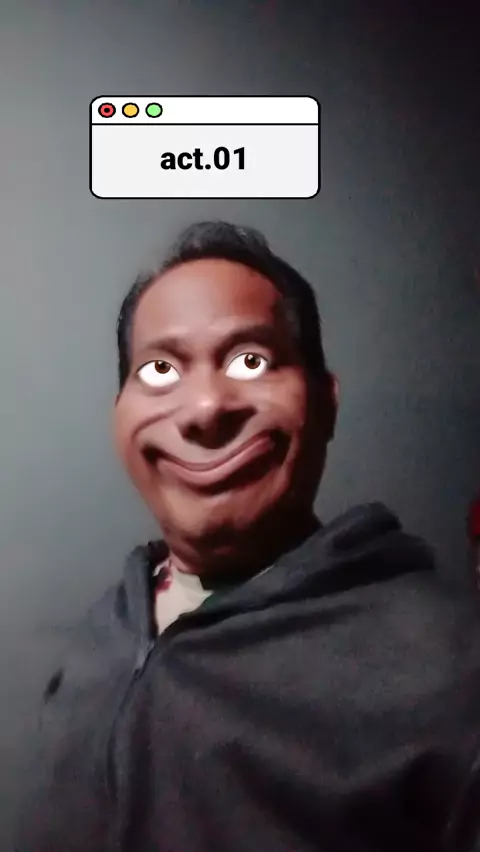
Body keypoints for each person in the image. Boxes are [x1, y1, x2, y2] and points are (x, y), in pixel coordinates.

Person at [14, 221, 480, 852]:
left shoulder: (450, 670)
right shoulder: (106, 631)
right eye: (160, 369)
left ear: (325, 402)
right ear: (119, 413)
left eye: (251, 360)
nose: (206, 407)